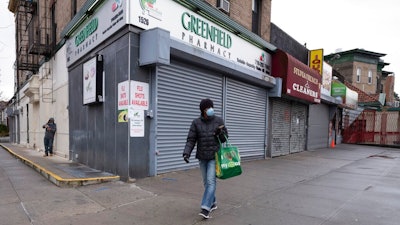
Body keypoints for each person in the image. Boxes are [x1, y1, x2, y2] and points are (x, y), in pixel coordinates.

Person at [183, 98, 228, 219]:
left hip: (214, 156)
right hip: (202, 157)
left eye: (211, 107)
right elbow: (191, 139)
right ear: (203, 110)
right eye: (208, 108)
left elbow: (225, 139)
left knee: (210, 181)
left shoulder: (219, 120)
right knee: (205, 182)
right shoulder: (196, 122)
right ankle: (213, 202)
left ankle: (205, 208)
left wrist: (220, 133)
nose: (210, 109)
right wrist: (186, 153)